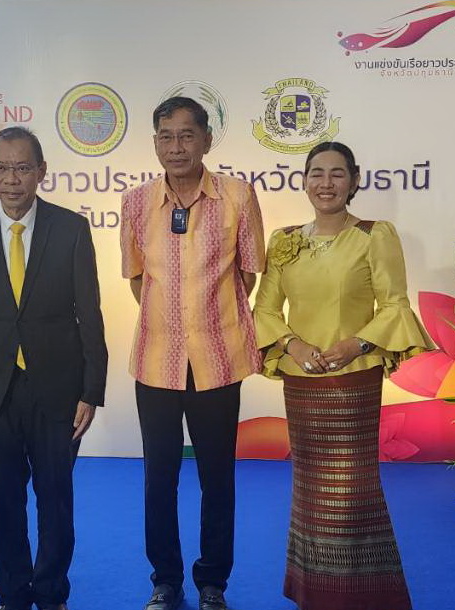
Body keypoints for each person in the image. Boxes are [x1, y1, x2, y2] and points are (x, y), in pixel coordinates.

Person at [252, 141, 433, 610]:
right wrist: (292, 345)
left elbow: (394, 305)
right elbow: (265, 309)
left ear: (354, 181)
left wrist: (358, 343)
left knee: (353, 492)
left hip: (353, 381)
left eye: (337, 173)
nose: (326, 183)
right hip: (301, 382)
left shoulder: (374, 235)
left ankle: (365, 595)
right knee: (310, 491)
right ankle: (315, 592)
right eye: (316, 173)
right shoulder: (284, 240)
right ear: (304, 181)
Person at [0, 126, 108, 610]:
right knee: (3, 501)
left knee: (55, 499)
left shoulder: (71, 228)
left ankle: (52, 593)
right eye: (1, 168)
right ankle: (12, 594)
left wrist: (91, 391)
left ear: (41, 171)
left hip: (58, 389)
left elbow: (90, 313)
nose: (11, 179)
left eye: (22, 168)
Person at [120, 97, 265, 610]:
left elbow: (247, 273)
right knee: (158, 479)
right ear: (155, 142)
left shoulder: (238, 196)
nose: (176, 147)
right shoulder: (136, 202)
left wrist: (205, 320)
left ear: (206, 140)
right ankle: (165, 579)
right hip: (155, 362)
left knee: (216, 477)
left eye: (186, 135)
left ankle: (212, 583)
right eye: (166, 136)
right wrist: (172, 322)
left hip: (219, 360)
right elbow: (137, 278)